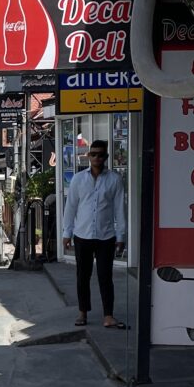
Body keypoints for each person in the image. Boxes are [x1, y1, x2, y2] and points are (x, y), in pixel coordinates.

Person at [62, 139, 127, 328]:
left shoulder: (114, 179)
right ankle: (82, 313)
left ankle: (108, 315)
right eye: (93, 154)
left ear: (106, 157)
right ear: (88, 156)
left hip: (106, 236)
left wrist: (121, 236)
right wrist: (67, 232)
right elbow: (71, 207)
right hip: (82, 235)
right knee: (82, 276)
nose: (97, 158)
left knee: (105, 277)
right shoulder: (78, 179)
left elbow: (119, 209)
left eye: (100, 154)